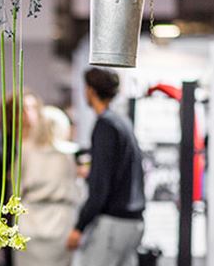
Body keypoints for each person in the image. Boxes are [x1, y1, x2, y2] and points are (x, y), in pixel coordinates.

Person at [67, 68, 145, 266]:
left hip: (113, 222)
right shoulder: (122, 122)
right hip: (132, 222)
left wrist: (80, 226)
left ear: (91, 91)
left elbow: (101, 185)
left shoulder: (105, 126)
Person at [11, 95, 79, 266]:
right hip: (60, 222)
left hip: (29, 221)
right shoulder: (70, 154)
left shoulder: (24, 149)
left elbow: (15, 189)